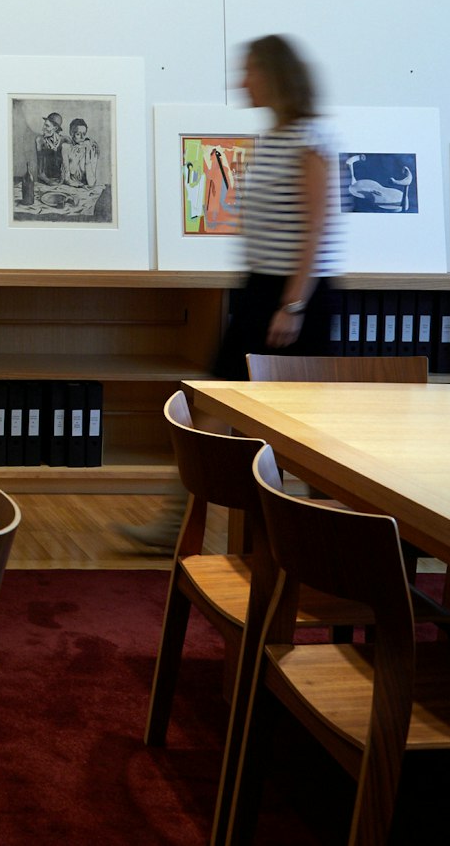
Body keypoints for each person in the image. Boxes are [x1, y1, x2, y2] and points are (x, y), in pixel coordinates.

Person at [122, 34, 340, 553]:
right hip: (261, 291)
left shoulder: (310, 139)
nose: (241, 81)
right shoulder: (278, 137)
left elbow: (317, 229)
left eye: (249, 71)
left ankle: (311, 534)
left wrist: (293, 304)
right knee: (219, 408)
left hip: (290, 299)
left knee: (286, 423)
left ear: (276, 76)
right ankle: (186, 523)